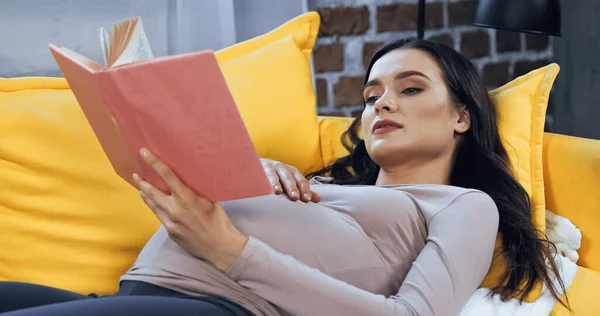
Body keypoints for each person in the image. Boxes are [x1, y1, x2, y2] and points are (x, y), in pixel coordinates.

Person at [0, 37, 568, 316]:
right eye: (371, 97)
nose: (382, 105)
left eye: (410, 89)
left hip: (213, 306)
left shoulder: (463, 205)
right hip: (136, 292)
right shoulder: (324, 187)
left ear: (462, 116)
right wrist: (252, 182)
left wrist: (231, 249)